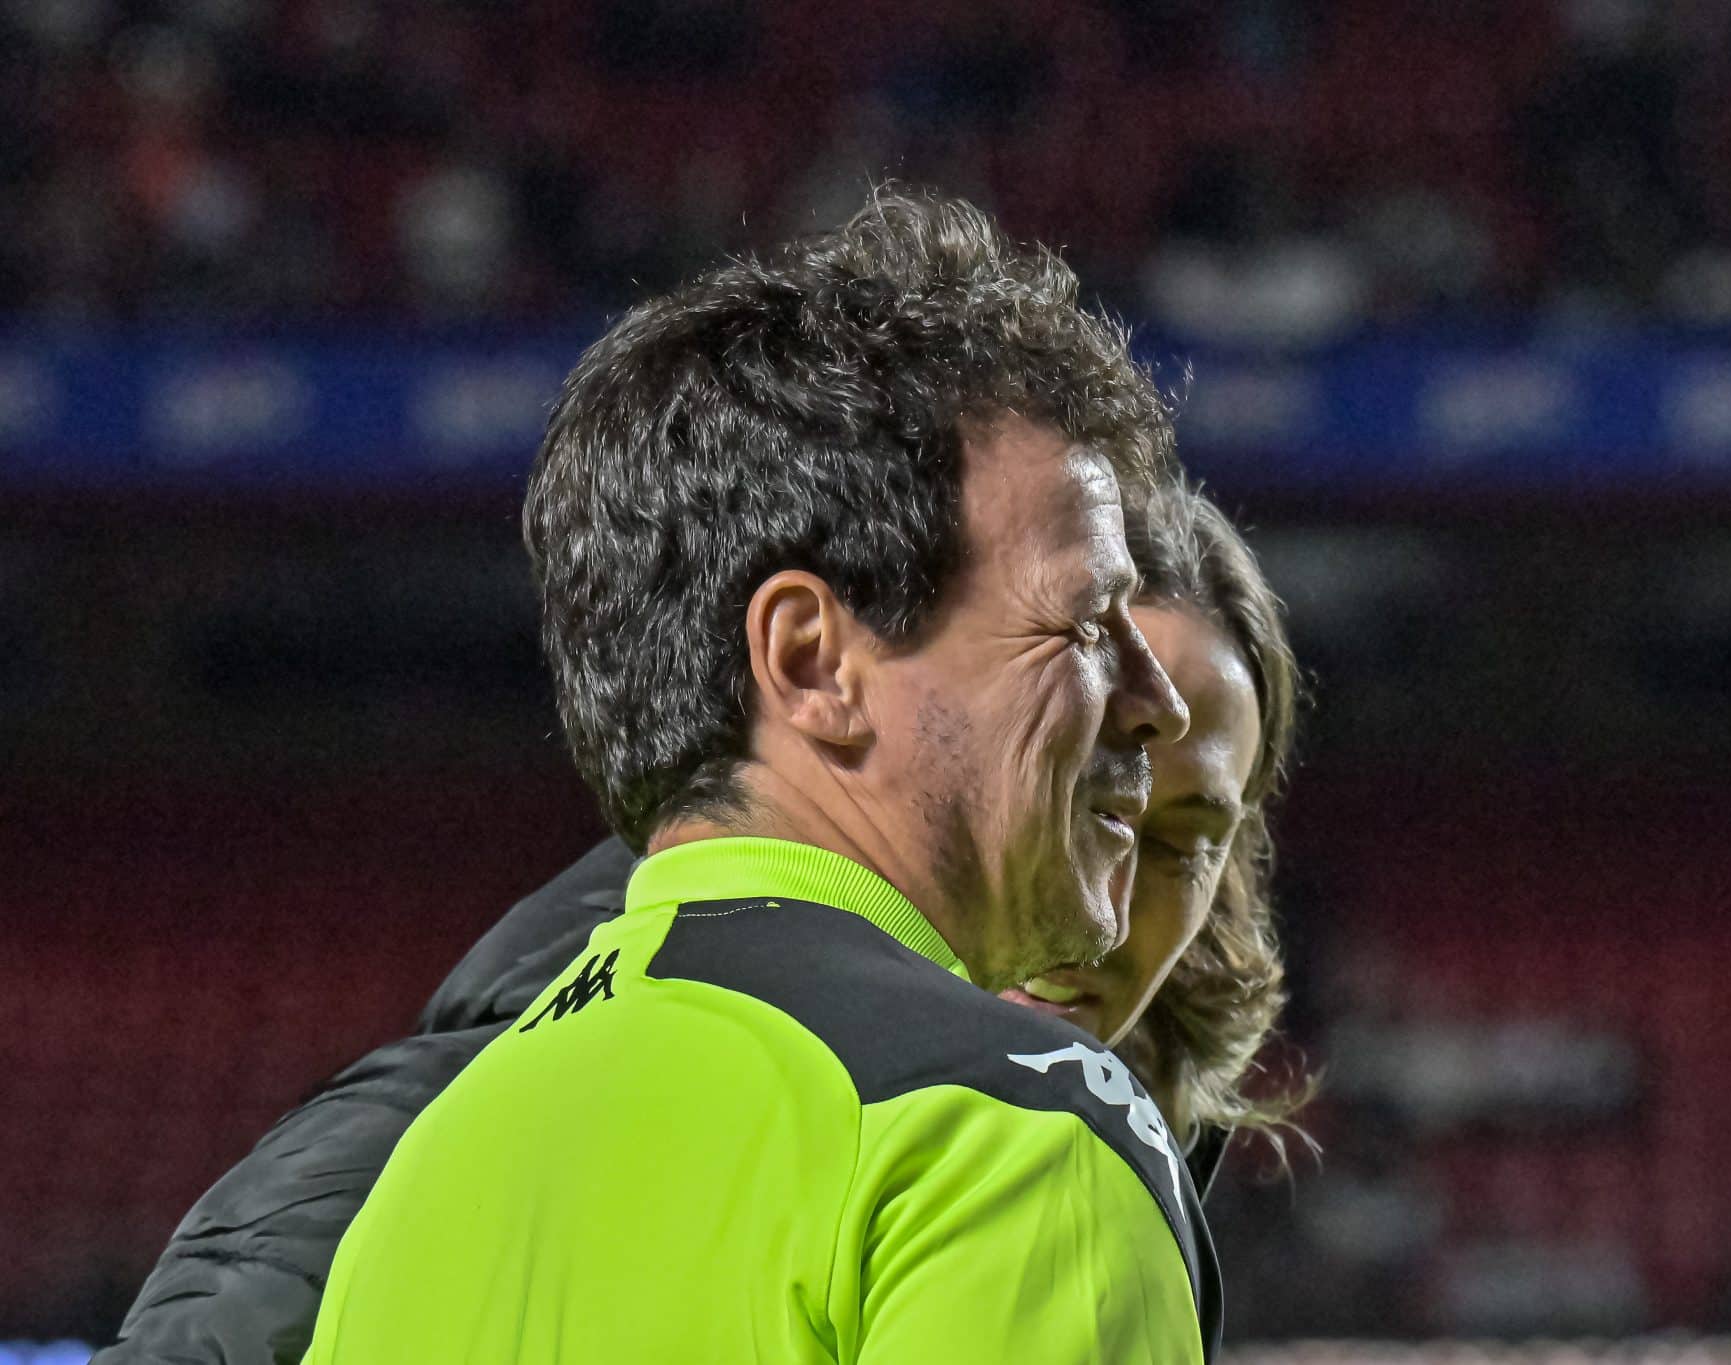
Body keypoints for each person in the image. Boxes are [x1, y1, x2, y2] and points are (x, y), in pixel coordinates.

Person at [297, 187, 1211, 1363]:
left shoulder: (425, 1174)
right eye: (1085, 626)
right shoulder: (1007, 1132)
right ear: (811, 660)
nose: (1157, 702)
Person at [96, 476, 1306, 1363]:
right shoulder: (487, 1088)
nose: (1109, 877)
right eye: (1086, 768)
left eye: (1184, 834)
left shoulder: (1080, 1140)